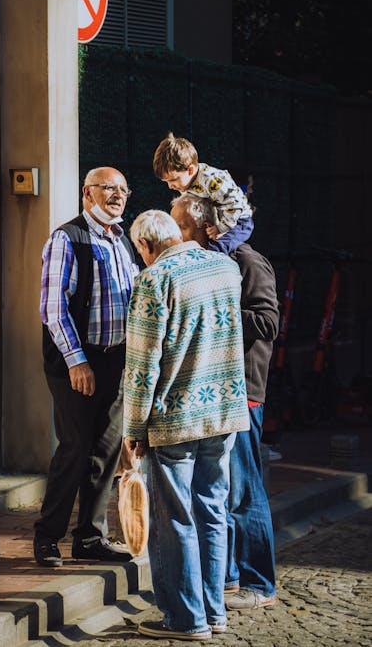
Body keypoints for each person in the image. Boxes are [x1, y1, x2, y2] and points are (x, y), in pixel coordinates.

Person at [123, 210, 250, 639]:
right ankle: (214, 612)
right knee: (212, 512)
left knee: (174, 518)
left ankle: (184, 619)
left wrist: (133, 429)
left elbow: (142, 364)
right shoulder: (225, 267)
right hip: (224, 411)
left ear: (145, 246)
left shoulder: (154, 279)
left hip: (176, 417)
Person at [170, 193, 278, 610]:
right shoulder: (205, 264)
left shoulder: (248, 261)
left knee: (245, 491)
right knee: (219, 490)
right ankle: (228, 575)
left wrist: (220, 305)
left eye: (182, 227)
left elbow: (268, 322)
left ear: (205, 227)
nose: (178, 236)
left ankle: (259, 582)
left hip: (244, 392)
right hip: (215, 390)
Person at [35, 167, 138, 567]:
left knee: (106, 452)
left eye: (123, 189)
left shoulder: (121, 240)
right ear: (87, 193)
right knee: (75, 450)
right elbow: (53, 307)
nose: (117, 195)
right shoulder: (67, 238)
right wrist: (78, 362)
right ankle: (47, 537)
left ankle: (90, 539)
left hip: (116, 360)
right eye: (108, 188)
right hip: (76, 360)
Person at [153, 132, 253, 254]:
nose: (170, 186)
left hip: (239, 221)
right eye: (166, 182)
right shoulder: (189, 182)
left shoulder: (211, 181)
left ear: (190, 170)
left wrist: (221, 228)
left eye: (173, 180)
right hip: (223, 217)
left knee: (217, 248)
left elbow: (235, 206)